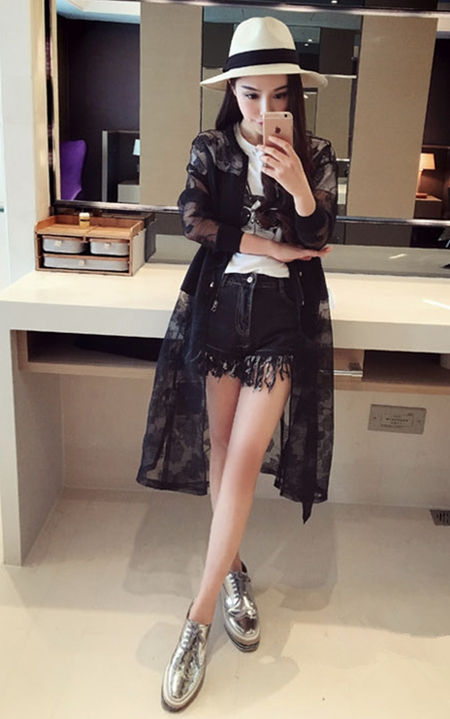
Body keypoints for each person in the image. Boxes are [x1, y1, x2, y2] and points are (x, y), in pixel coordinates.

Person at [136, 16, 337, 712]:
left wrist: (300, 186)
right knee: (221, 445)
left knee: (246, 455)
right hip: (220, 305)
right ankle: (232, 571)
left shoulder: (314, 153)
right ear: (232, 92)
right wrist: (271, 246)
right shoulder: (212, 147)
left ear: (293, 97)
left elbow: (322, 233)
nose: (263, 110)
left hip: (280, 317)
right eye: (250, 94)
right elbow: (192, 219)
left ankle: (195, 621)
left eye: (278, 96)